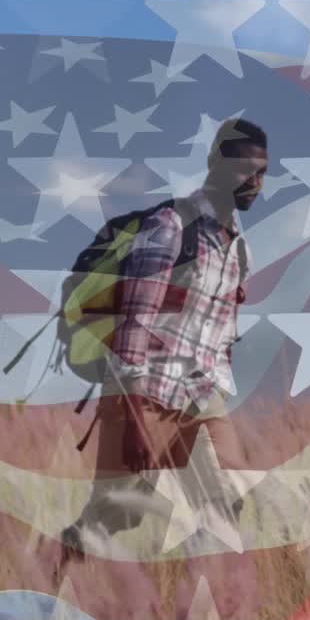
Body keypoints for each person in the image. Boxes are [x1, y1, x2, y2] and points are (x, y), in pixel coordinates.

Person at [56, 117, 268, 573]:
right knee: (120, 511)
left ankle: (198, 614)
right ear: (216, 164)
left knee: (226, 501)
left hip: (202, 394)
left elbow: (221, 327)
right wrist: (132, 412)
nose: (256, 182)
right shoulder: (171, 226)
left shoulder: (241, 248)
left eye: (263, 172)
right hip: (145, 390)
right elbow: (136, 318)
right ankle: (52, 575)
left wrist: (219, 383)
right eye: (245, 169)